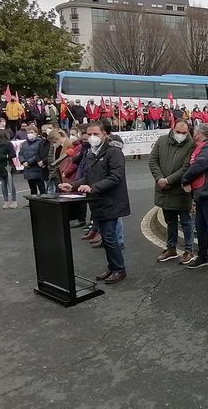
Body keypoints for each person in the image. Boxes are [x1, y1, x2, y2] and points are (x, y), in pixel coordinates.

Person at [59, 120, 131, 285]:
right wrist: (73, 185)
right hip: (98, 201)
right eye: (89, 134)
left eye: (96, 134)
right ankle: (112, 267)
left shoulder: (114, 152)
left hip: (111, 201)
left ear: (105, 134)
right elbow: (88, 176)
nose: (92, 137)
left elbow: (115, 177)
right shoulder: (91, 153)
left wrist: (93, 188)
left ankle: (119, 269)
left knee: (110, 237)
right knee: (106, 238)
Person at [180, 124, 208, 270]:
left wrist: (184, 179)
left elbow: (200, 165)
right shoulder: (203, 147)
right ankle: (203, 256)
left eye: (195, 132)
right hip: (202, 191)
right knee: (200, 227)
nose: (193, 134)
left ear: (200, 133)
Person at [149, 121, 196, 264]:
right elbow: (153, 161)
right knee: (170, 221)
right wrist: (159, 178)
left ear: (188, 132)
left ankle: (189, 250)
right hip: (163, 189)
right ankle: (171, 249)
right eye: (178, 132)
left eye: (184, 133)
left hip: (180, 190)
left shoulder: (191, 145)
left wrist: (168, 180)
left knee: (186, 222)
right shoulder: (162, 141)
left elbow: (186, 168)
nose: (180, 135)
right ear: (172, 129)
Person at [18, 125, 50, 196]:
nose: (30, 134)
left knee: (41, 187)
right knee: (32, 188)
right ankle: (33, 202)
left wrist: (29, 162)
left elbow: (38, 155)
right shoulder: (24, 143)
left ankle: (43, 201)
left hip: (37, 168)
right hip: (28, 170)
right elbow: (20, 154)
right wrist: (23, 161)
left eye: (32, 132)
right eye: (28, 133)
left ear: (36, 133)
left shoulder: (40, 142)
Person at [0, 130, 18, 208]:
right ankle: (6, 201)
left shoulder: (7, 144)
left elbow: (13, 154)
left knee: (11, 184)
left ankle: (14, 200)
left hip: (8, 166)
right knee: (3, 185)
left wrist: (5, 156)